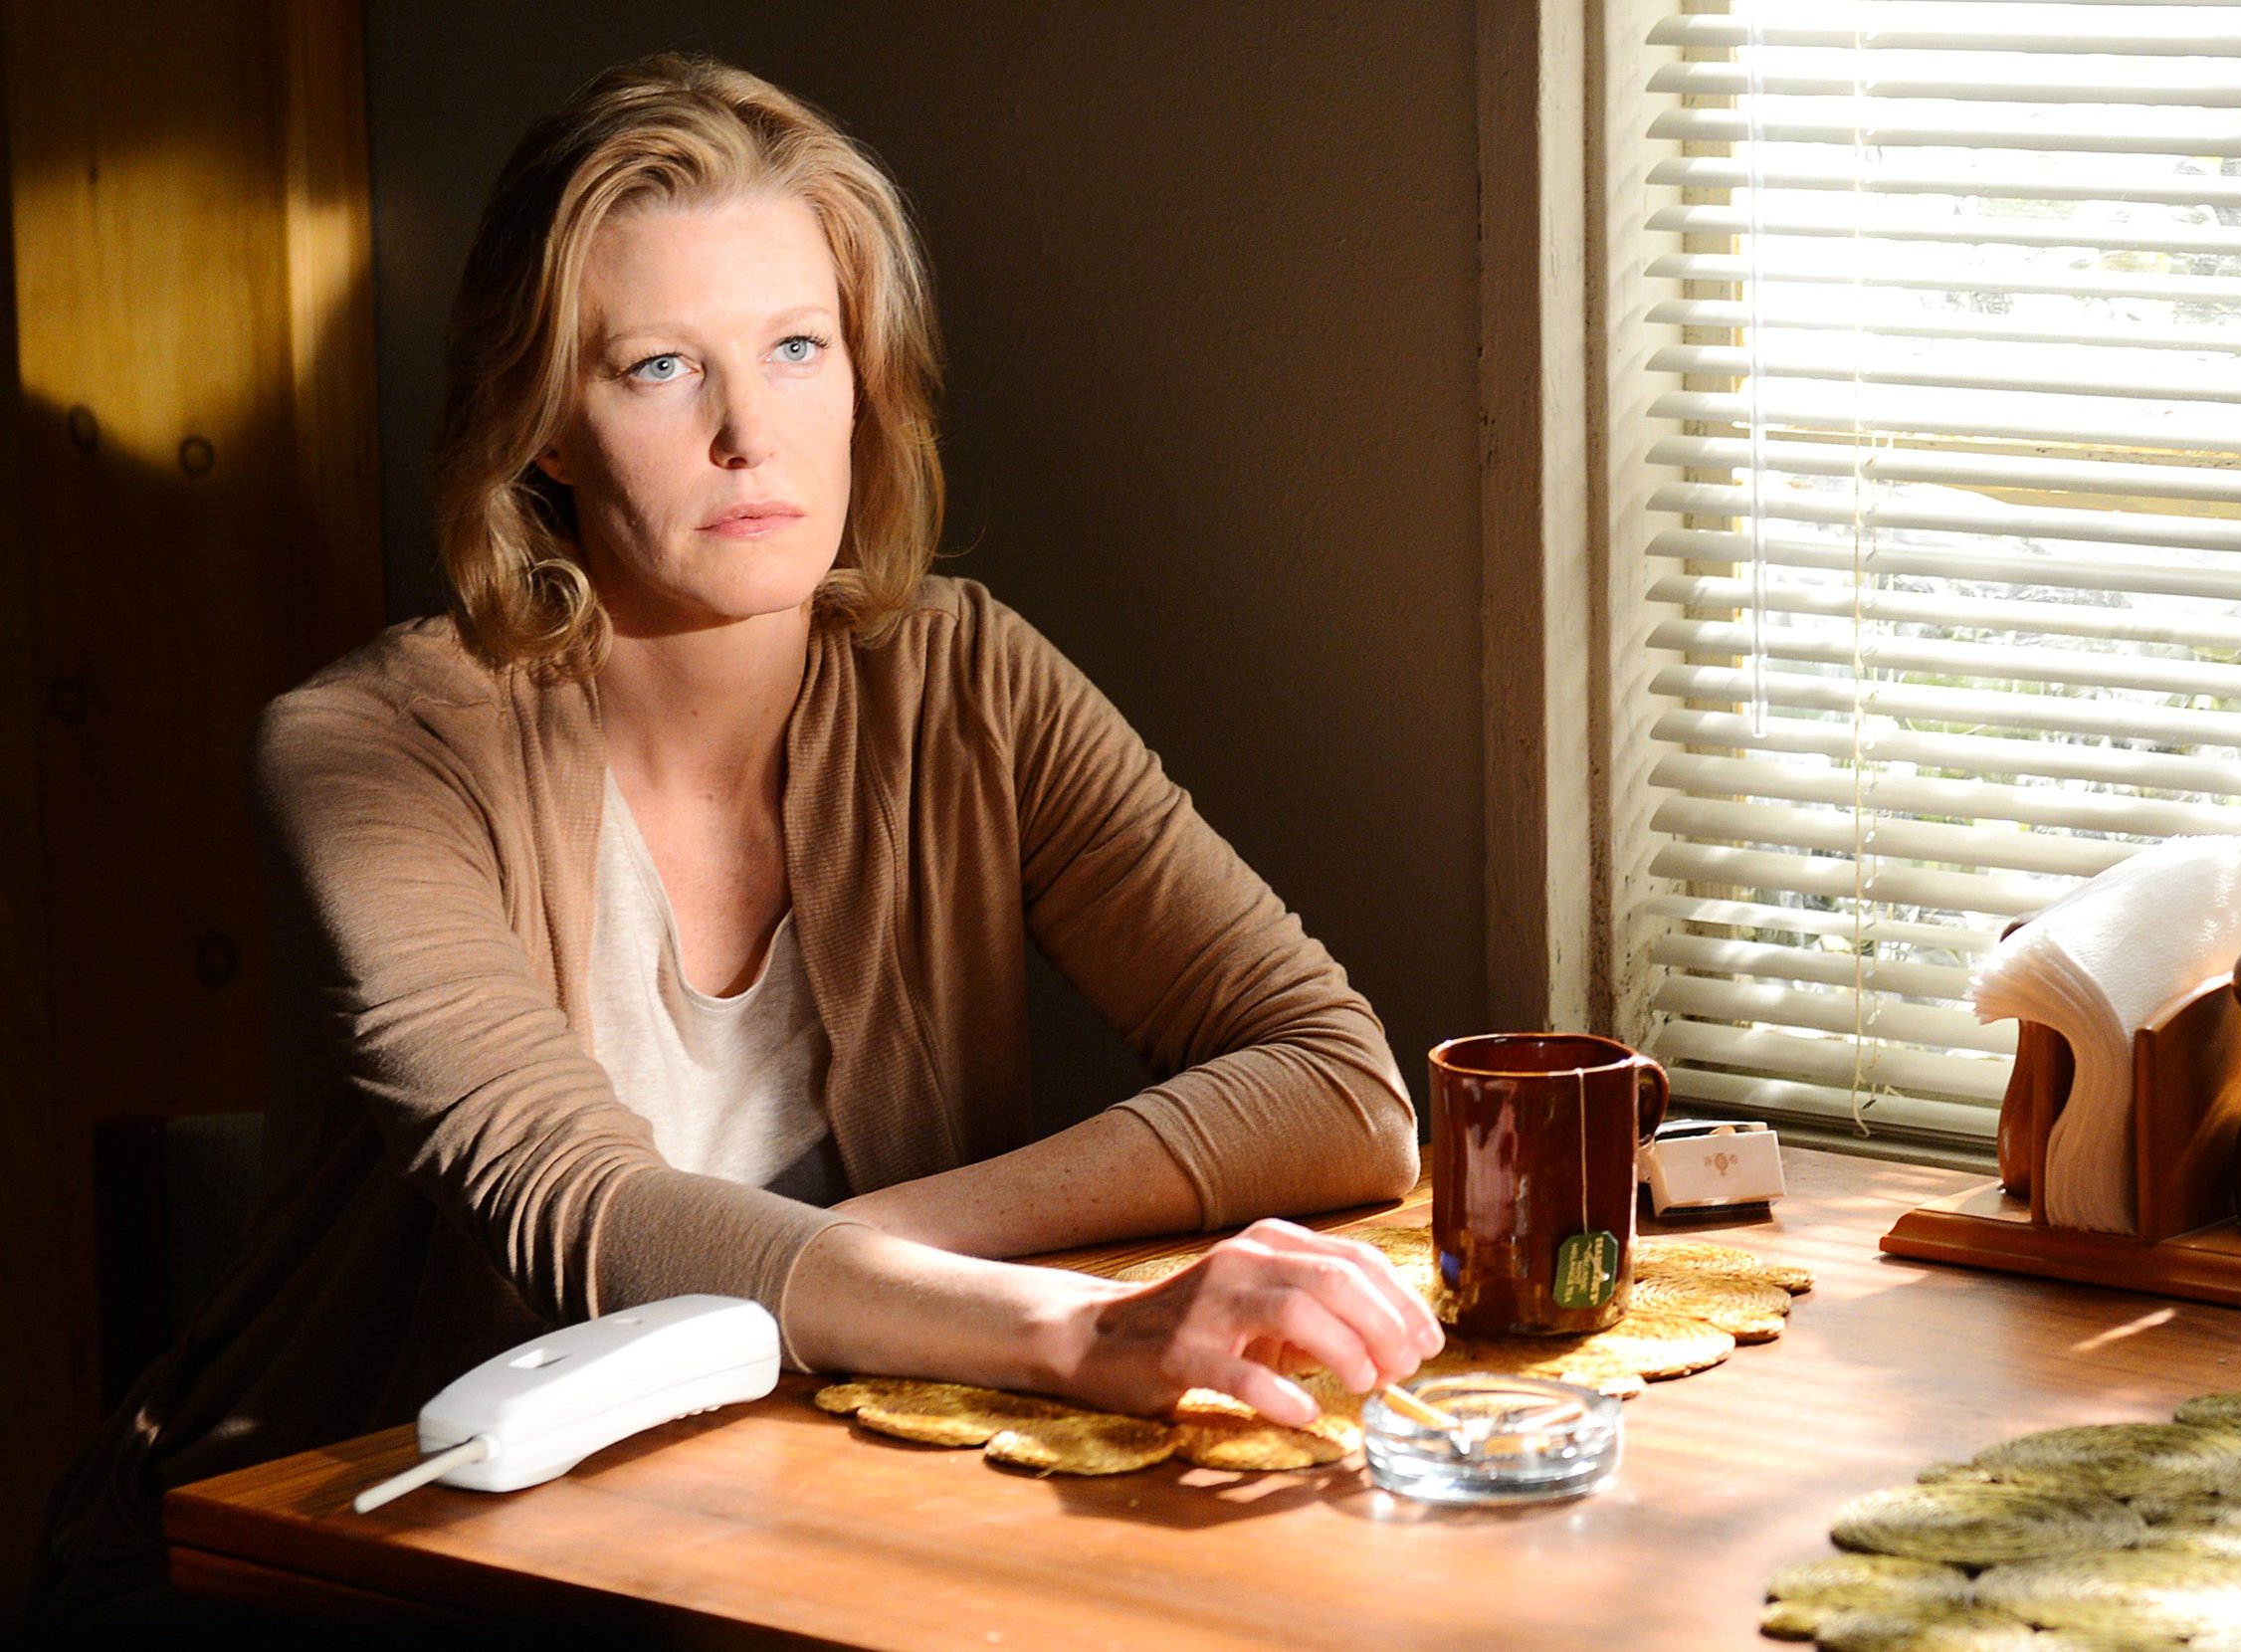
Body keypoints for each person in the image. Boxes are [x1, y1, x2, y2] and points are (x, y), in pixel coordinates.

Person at [36, 53, 1432, 1617]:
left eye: (795, 347)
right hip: (347, 1559)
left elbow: (1334, 1083)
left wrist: (864, 1248)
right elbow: (589, 1216)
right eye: (657, 368)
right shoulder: (369, 754)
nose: (749, 434)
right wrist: (1066, 1328)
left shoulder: (966, 676)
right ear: (541, 428)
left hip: (779, 1509)